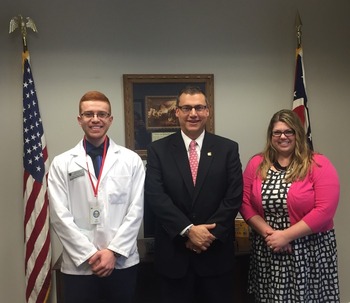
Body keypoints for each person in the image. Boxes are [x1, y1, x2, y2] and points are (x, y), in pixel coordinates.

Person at [145, 86, 243, 303]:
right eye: (187, 108)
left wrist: (205, 236)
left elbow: (234, 196)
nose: (193, 114)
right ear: (177, 112)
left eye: (199, 107)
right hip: (174, 259)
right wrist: (188, 231)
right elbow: (156, 196)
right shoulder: (158, 150)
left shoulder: (227, 148)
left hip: (215, 256)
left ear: (208, 111)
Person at [48, 91, 145, 303]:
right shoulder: (62, 162)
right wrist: (89, 255)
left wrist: (113, 252)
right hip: (79, 265)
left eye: (101, 114)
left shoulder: (131, 160)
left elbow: (136, 211)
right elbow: (59, 215)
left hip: (121, 263)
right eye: (89, 114)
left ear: (110, 119)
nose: (95, 119)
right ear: (79, 119)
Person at [240, 109, 340, 302]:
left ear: (298, 134)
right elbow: (244, 202)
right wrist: (270, 234)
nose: (282, 137)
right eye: (277, 132)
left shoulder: (318, 163)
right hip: (269, 248)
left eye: (289, 131)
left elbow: (325, 210)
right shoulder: (257, 163)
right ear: (271, 136)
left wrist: (286, 236)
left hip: (310, 250)